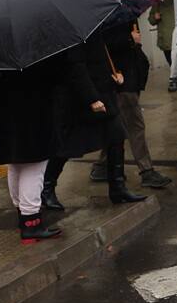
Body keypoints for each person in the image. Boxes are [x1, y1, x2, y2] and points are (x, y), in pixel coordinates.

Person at [41, 34, 147, 209]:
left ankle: (117, 188)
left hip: (104, 93)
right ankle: (46, 189)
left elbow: (101, 58)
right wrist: (92, 98)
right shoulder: (75, 33)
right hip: (80, 99)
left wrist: (116, 74)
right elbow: (77, 68)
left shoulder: (93, 28)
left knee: (116, 136)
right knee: (68, 145)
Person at [0, 61, 63, 243]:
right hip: (30, 115)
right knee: (34, 166)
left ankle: (23, 214)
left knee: (16, 164)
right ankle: (31, 221)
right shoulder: (29, 50)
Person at [89, 19, 171, 189]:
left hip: (129, 79)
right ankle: (146, 170)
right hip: (121, 80)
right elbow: (104, 44)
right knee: (135, 126)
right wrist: (129, 38)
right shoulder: (109, 16)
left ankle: (102, 166)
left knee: (119, 126)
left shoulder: (123, 13)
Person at [148, 0, 177, 92]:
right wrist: (154, 17)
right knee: (171, 61)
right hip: (164, 39)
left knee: (175, 61)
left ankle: (174, 80)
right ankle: (175, 79)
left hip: (175, 38)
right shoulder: (157, 4)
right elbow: (151, 20)